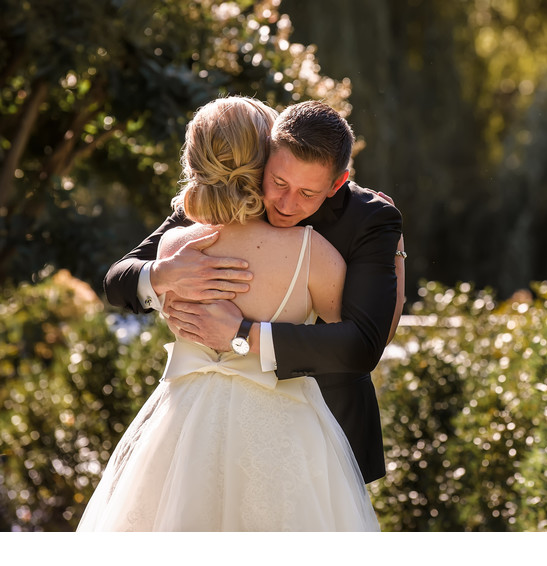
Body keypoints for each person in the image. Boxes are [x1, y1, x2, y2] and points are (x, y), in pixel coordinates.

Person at [78, 96, 379, 530]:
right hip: (282, 430)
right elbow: (354, 340)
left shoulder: (174, 244)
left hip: (183, 424)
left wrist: (168, 276)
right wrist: (160, 276)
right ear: (265, 158)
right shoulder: (313, 254)